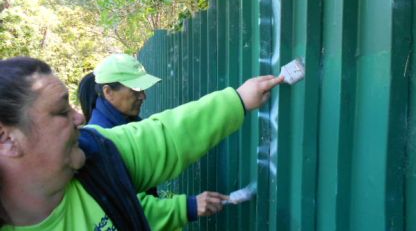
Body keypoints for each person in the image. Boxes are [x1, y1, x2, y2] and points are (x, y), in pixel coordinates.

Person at [0, 56, 283, 231]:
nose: (77, 118)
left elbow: (167, 135)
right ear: (7, 139)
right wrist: (186, 206)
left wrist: (238, 100)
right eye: (61, 111)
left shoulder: (96, 153)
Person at [77, 54, 230, 230]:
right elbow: (126, 207)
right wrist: (190, 206)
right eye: (135, 90)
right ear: (108, 92)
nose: (143, 96)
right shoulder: (98, 145)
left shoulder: (129, 123)